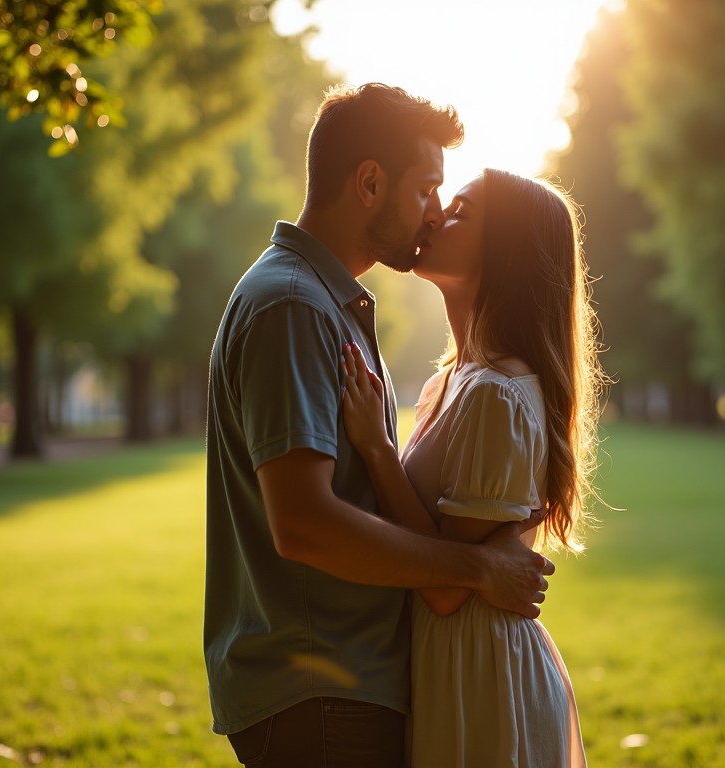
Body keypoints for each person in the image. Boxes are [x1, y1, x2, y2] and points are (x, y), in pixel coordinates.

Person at [204, 84, 556, 767]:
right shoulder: (294, 306)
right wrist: (480, 567)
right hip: (323, 693)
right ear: (369, 183)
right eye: (427, 188)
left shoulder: (323, 303)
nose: (434, 211)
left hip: (342, 687)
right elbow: (303, 523)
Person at [340, 167, 604, 767]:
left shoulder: (495, 394)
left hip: (479, 671)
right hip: (448, 663)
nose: (435, 217)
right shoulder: (448, 382)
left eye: (460, 212)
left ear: (504, 253)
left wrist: (379, 453)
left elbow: (444, 591)